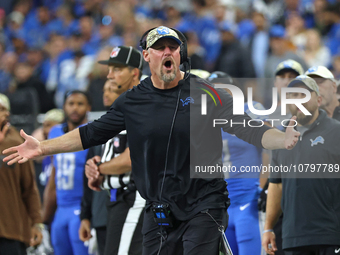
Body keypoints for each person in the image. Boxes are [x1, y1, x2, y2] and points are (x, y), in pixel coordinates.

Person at [3, 26, 300, 255]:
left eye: (173, 47)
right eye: (160, 48)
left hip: (204, 203)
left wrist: (282, 138)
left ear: (181, 55)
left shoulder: (206, 92)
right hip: (158, 208)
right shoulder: (133, 102)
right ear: (146, 56)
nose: (167, 52)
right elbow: (90, 133)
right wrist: (42, 147)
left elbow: (251, 129)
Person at [262, 76, 340, 255]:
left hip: (331, 234)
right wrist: (268, 228)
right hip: (294, 237)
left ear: (319, 100)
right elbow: (276, 185)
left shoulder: (336, 131)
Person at [80, 45, 145, 255]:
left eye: (116, 69)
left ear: (134, 72)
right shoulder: (122, 106)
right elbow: (112, 150)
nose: (109, 75)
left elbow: (132, 159)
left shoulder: (143, 102)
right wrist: (96, 165)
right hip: (115, 199)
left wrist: (101, 168)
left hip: (135, 196)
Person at [208, 71, 268, 255]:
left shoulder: (250, 110)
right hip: (222, 205)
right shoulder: (204, 119)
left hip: (248, 199)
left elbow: (269, 151)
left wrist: (263, 188)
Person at [42, 90, 91, 255]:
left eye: (80, 104)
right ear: (64, 106)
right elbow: (53, 177)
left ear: (88, 107)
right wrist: (43, 217)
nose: (75, 108)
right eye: (71, 104)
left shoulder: (92, 133)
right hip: (61, 209)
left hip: (80, 208)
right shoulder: (55, 132)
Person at [0, 93, 43, 254]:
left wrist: (36, 222)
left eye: (2, 109)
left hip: (12, 230)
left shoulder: (16, 143)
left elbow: (29, 186)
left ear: (7, 114)